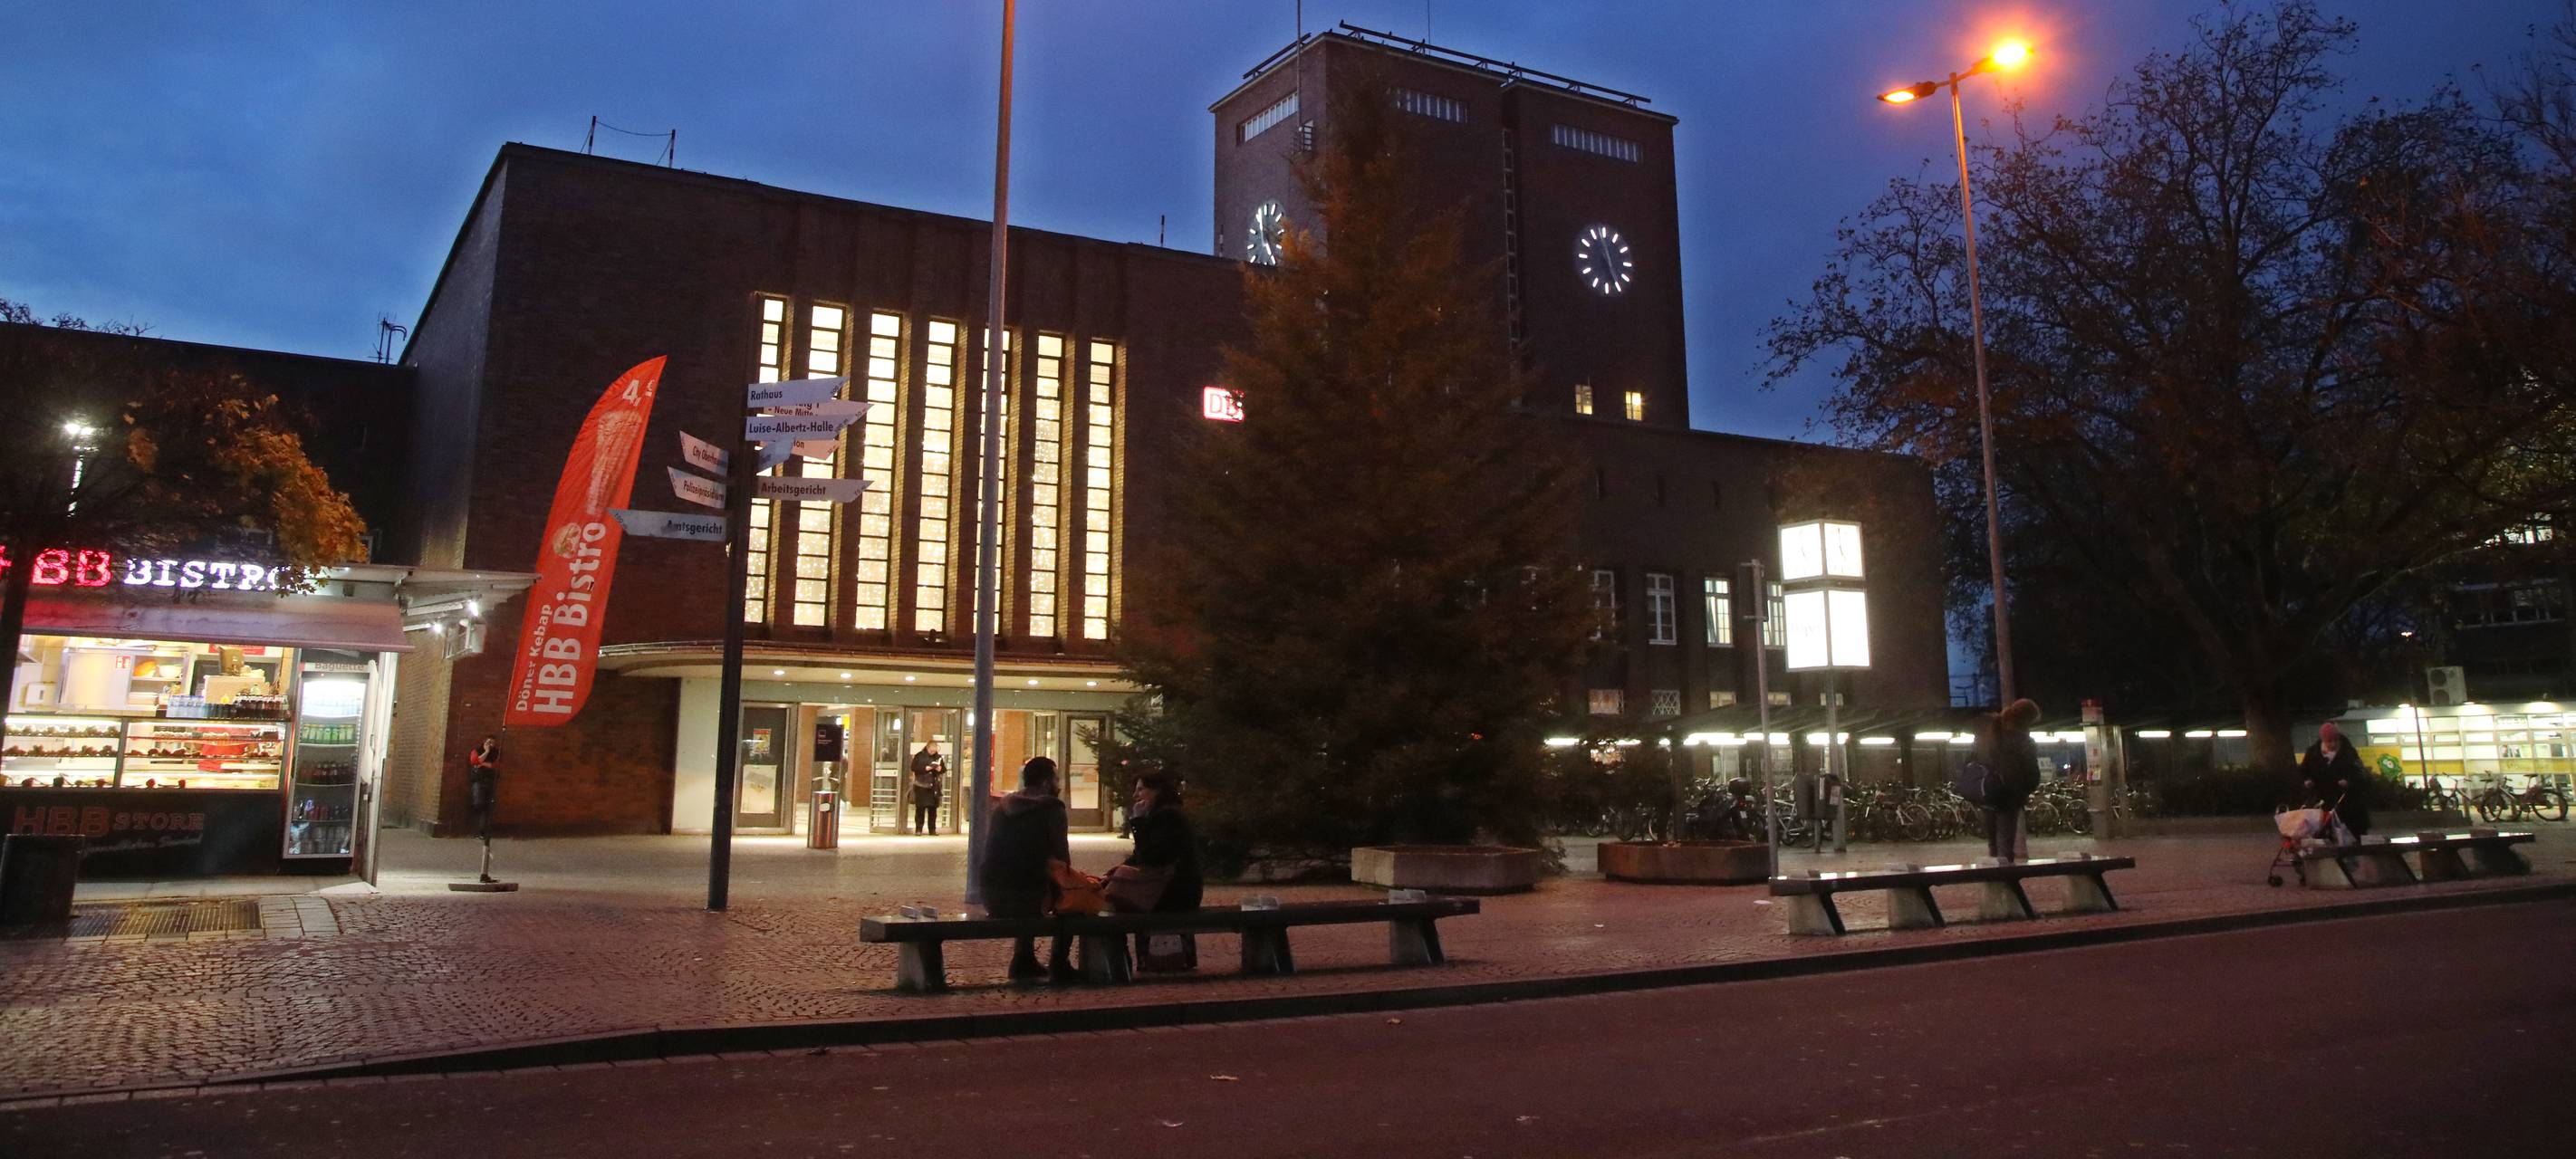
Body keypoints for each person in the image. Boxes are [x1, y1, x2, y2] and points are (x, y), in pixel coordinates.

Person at [976, 756, 1073, 982]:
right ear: (1046, 782)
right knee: (1070, 901)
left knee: (1028, 879)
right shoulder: (1052, 809)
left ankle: (1024, 958)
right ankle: (1060, 962)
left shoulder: (1004, 806)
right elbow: (1062, 858)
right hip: (1027, 897)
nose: (1058, 784)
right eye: (1056, 778)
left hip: (991, 894)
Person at [1112, 771, 1204, 971]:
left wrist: (1137, 822)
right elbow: (1142, 855)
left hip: (1174, 891)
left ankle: (1129, 962)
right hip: (1175, 888)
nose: (1136, 795)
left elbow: (1150, 857)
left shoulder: (1167, 816)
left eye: (1141, 789)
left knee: (1121, 907)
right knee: (1117, 902)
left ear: (1157, 791)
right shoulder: (1165, 814)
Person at [1975, 699, 2043, 860]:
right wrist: (2025, 790)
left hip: (1986, 792)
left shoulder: (1988, 734)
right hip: (2009, 795)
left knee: (1993, 844)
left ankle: (1993, 879)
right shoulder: (2023, 740)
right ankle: (2005, 880)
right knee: (2005, 843)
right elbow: (2031, 772)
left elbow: (1976, 759)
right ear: (2027, 719)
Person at [2300, 722, 2371, 839]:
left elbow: (2359, 773)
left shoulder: (2348, 752)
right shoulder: (2313, 753)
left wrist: (2349, 781)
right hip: (2322, 802)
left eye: (2335, 740)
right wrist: (2307, 780)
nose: (2333, 744)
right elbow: (2303, 771)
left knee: (2350, 838)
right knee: (2323, 836)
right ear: (2323, 740)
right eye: (2329, 742)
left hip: (2347, 803)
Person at [908, 739, 946, 836]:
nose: (933, 752)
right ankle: (918, 829)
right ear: (928, 748)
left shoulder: (938, 757)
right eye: (932, 750)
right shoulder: (920, 756)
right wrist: (926, 768)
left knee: (933, 810)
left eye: (935, 750)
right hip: (921, 785)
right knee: (920, 808)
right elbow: (913, 767)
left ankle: (932, 830)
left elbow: (943, 769)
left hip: (934, 786)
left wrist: (940, 769)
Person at [466, 736, 501, 839]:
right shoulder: (477, 750)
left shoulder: (496, 753)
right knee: (478, 804)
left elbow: (494, 765)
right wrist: (486, 752)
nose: (490, 744)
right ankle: (475, 831)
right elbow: (474, 761)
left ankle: (482, 832)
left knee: (487, 806)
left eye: (492, 742)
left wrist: (482, 763)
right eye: (488, 742)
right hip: (478, 781)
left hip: (490, 781)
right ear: (484, 742)